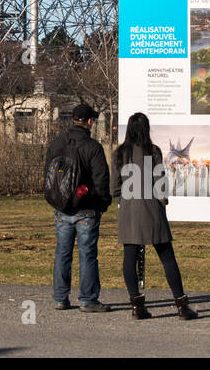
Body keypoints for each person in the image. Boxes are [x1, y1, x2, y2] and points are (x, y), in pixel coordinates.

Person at [109, 111, 199, 320]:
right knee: (167, 258)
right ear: (146, 129)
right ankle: (181, 306)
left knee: (129, 259)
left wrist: (122, 201)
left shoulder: (119, 153)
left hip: (129, 212)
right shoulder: (153, 151)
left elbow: (114, 187)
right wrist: (162, 203)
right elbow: (160, 183)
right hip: (152, 210)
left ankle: (137, 307)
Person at [45, 102, 112, 312]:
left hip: (62, 207)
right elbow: (101, 180)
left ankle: (60, 297)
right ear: (90, 121)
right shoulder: (93, 147)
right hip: (87, 208)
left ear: (73, 119)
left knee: (62, 252)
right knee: (87, 253)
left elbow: (49, 175)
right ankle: (88, 299)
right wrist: (103, 204)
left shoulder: (56, 144)